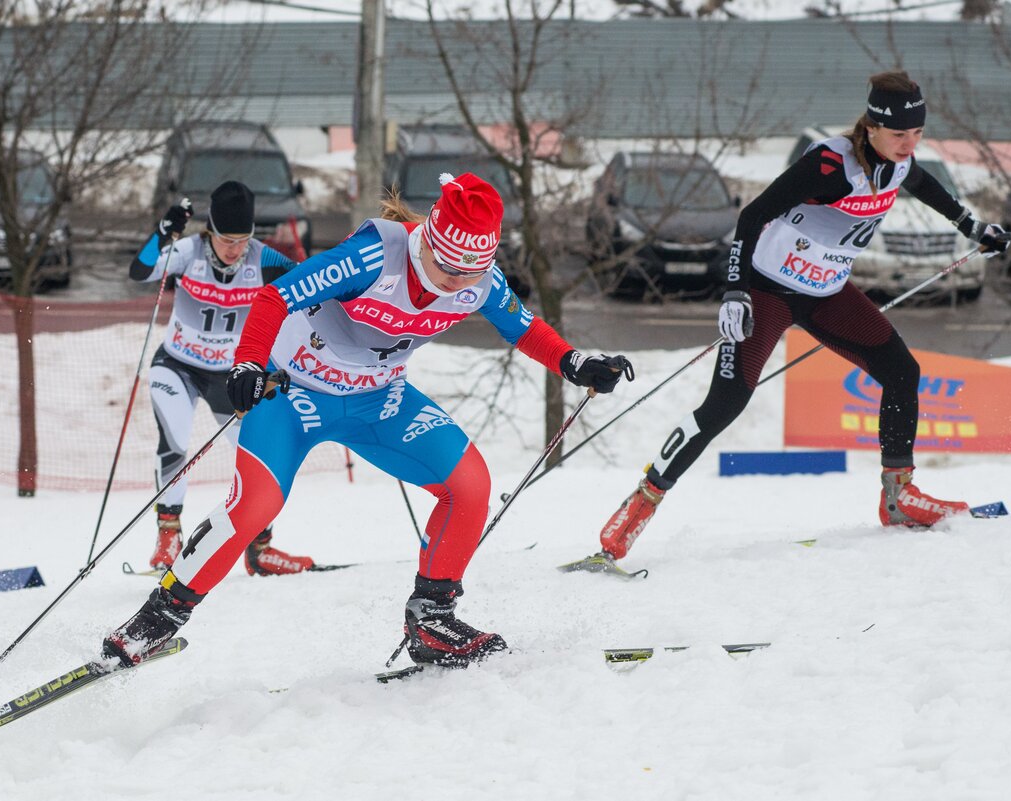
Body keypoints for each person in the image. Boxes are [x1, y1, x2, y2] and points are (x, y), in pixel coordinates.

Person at [102, 172, 635, 668]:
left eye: (469, 272)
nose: (455, 285)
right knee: (257, 505)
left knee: (470, 484)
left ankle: (432, 620)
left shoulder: (477, 277)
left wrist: (575, 362)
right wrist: (247, 361)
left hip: (378, 401)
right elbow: (273, 297)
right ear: (426, 240)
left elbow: (522, 326)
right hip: (296, 396)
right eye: (447, 268)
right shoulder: (373, 256)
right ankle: (157, 618)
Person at [593, 70, 1011, 565]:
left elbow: (923, 183)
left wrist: (971, 226)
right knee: (724, 405)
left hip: (825, 294)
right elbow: (751, 216)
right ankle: (636, 510)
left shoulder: (898, 164)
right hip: (766, 291)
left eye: (917, 133)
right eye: (900, 134)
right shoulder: (831, 165)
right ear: (873, 127)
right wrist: (734, 292)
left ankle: (899, 496)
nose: (909, 144)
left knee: (903, 372)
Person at [131, 180, 314, 576]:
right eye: (226, 240)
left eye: (243, 240)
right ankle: (168, 538)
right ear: (209, 231)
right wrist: (162, 233)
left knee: (261, 457)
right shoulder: (187, 252)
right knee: (175, 442)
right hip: (178, 366)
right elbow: (140, 271)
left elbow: (313, 287)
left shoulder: (263, 259)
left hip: (234, 376)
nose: (235, 250)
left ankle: (260, 549)